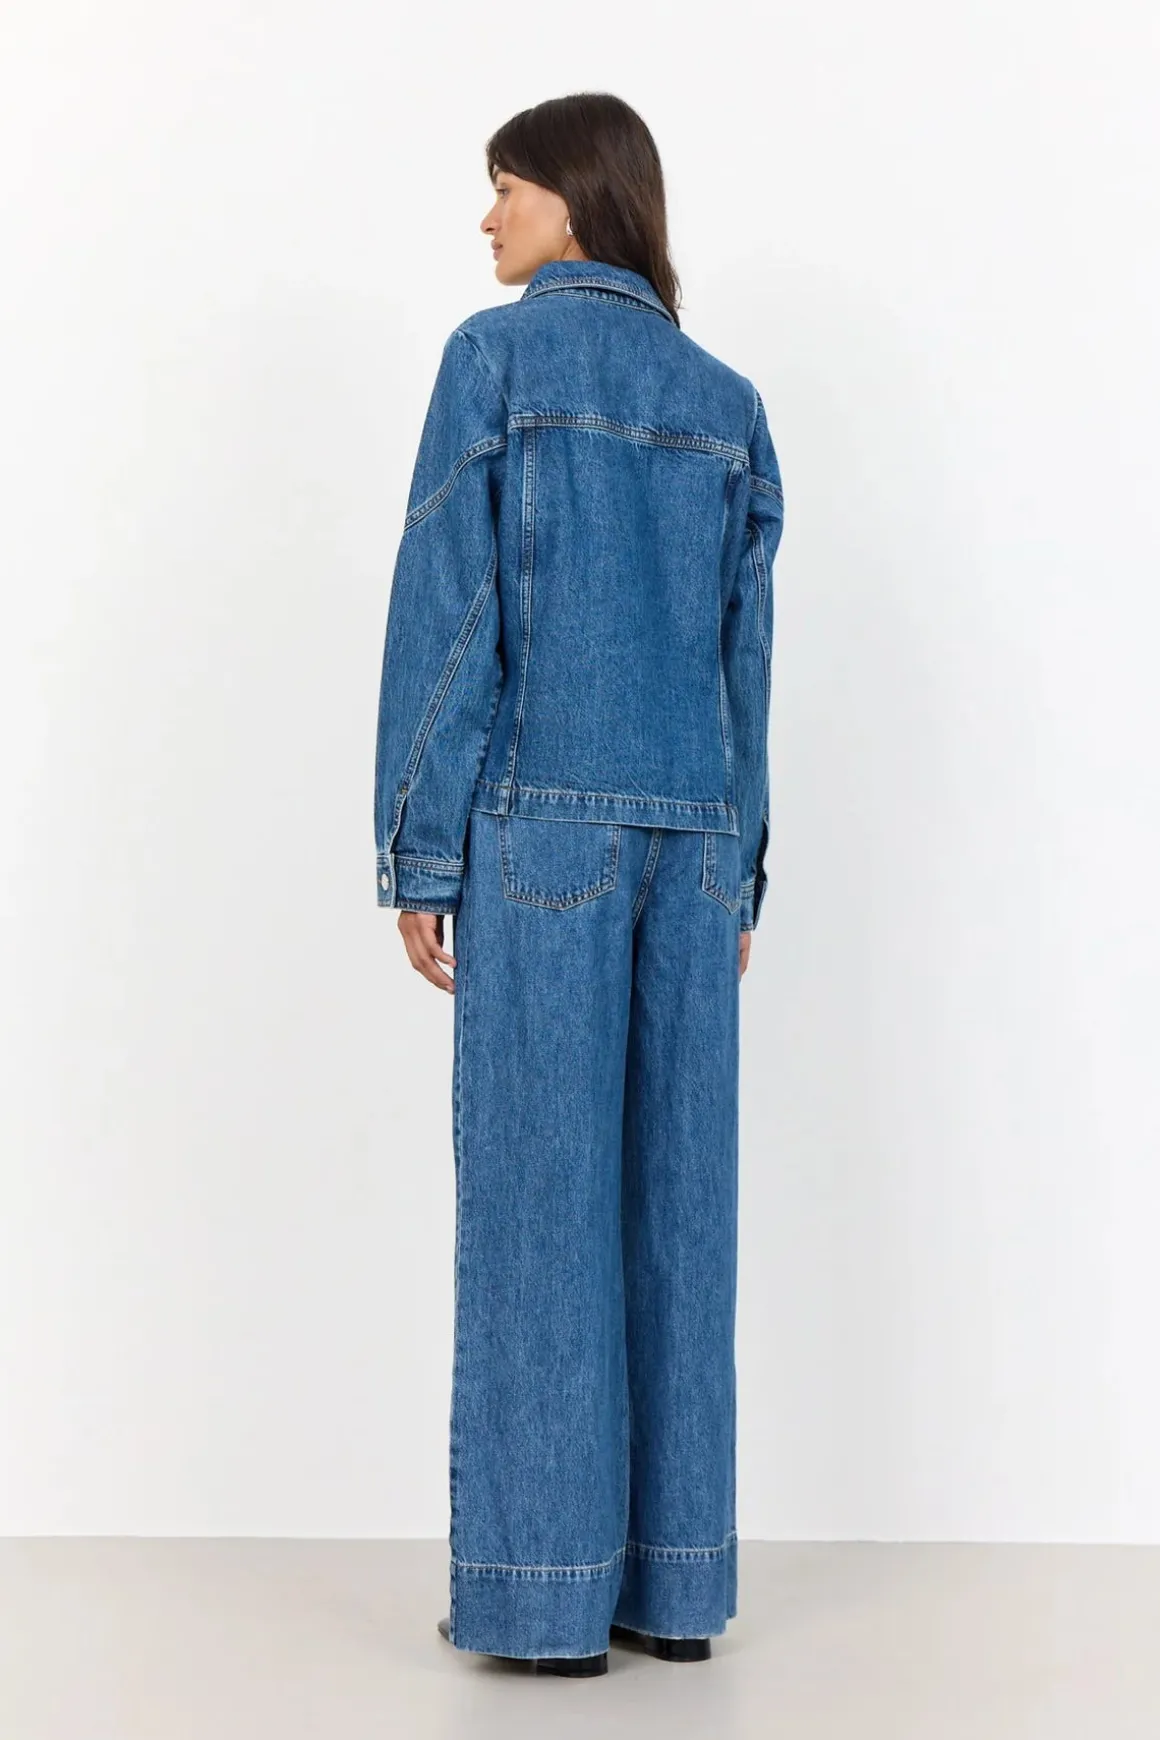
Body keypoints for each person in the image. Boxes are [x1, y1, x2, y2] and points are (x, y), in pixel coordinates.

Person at [373, 92, 784, 1678]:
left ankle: (545, 1600)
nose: (487, 220)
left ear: (578, 200)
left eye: (506, 189)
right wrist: (739, 871)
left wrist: (421, 846)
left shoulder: (495, 363)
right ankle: (673, 1591)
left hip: (539, 836)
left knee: (543, 1209)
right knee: (682, 1209)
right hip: (693, 845)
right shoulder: (727, 403)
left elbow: (452, 617)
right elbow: (747, 667)